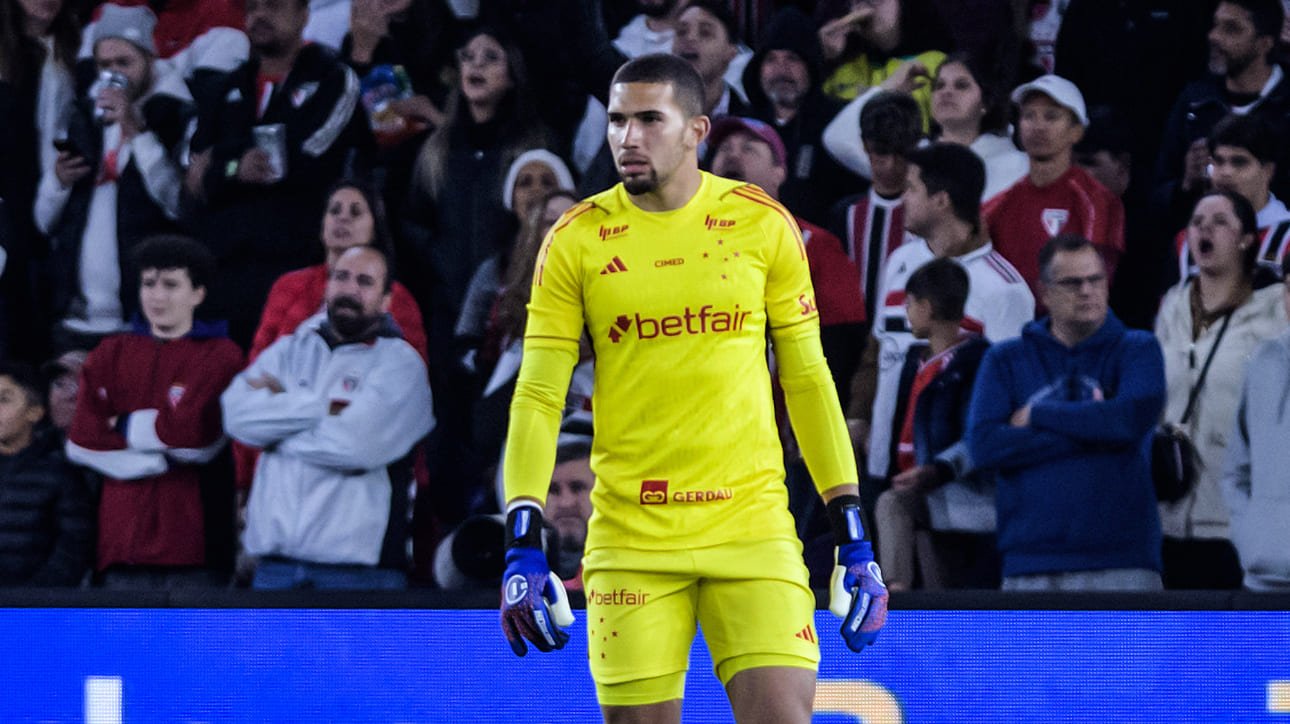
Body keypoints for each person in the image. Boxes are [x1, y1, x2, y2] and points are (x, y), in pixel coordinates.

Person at [497, 54, 887, 723]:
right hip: (632, 538)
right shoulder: (575, 238)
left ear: (696, 130)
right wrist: (522, 538)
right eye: (618, 120)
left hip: (752, 527)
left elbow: (808, 379)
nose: (628, 137)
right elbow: (537, 394)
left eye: (650, 119)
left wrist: (852, 533)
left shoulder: (762, 223)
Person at [222, 246, 434, 590]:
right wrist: (326, 408)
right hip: (275, 568)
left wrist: (276, 430)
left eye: (365, 281)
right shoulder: (289, 349)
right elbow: (237, 415)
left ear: (386, 300)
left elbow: (357, 446)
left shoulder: (401, 364)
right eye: (341, 277)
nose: (350, 289)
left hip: (360, 574)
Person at [967, 234, 1165, 591]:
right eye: (1073, 283)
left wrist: (1039, 415)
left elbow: (1127, 422)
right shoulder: (1005, 360)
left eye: (1095, 280)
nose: (1087, 291)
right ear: (1044, 292)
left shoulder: (1138, 350)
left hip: (1123, 559)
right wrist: (1097, 429)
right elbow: (984, 446)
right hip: (1030, 560)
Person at [187, 0, 374, 348]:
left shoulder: (333, 78)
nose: (259, 15)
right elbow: (196, 176)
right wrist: (235, 167)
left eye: (273, 6)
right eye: (252, 8)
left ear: (303, 15)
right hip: (223, 268)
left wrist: (225, 160)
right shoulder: (224, 87)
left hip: (295, 262)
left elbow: (310, 158)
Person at [855, 142, 1032, 503]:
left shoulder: (1004, 289)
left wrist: (948, 465)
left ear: (941, 200)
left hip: (955, 486)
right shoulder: (900, 261)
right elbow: (878, 348)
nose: (903, 198)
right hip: (880, 469)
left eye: (912, 188)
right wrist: (858, 416)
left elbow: (1005, 398)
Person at [65, 235, 244, 589]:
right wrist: (152, 460)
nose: (157, 296)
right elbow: (82, 439)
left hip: (195, 548)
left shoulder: (222, 355)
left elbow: (195, 438)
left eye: (171, 285)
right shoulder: (110, 352)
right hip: (119, 546)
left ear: (198, 294)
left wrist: (123, 425)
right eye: (149, 284)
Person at [35, 5, 195, 350]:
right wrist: (58, 182)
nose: (113, 74)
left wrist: (138, 133)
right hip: (75, 320)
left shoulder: (174, 113)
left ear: (150, 60)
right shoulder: (83, 116)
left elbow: (179, 205)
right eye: (104, 65)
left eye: (124, 63)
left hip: (142, 319)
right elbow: (44, 221)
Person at [1155, 190, 1285, 589]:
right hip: (1169, 518)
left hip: (1235, 525)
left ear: (1246, 239)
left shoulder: (1275, 310)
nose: (1204, 230)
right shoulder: (1173, 304)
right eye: (1197, 222)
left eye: (1220, 222)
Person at [709, 115, 866, 407]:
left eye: (749, 149)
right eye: (724, 149)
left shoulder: (815, 246)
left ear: (779, 172)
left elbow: (842, 345)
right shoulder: (686, 246)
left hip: (782, 422)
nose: (733, 155)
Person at [875, 258, 997, 590]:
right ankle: (909, 603)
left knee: (892, 505)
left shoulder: (977, 363)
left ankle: (896, 597)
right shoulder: (915, 362)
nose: (906, 312)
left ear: (926, 308)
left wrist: (938, 471)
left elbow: (979, 435)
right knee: (936, 584)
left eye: (909, 304)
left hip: (962, 491)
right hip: (920, 491)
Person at [983, 74, 1126, 299]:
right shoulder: (999, 203)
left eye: (1051, 116)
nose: (1038, 126)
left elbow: (1096, 282)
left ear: (1076, 131)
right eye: (1029, 116)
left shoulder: (1097, 201)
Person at [1153, 0, 1290, 234]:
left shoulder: (1285, 108)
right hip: (1201, 245)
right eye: (1215, 25)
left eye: (1231, 29)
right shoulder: (1194, 103)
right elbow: (1157, 198)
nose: (1214, 36)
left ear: (1264, 43)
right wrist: (1186, 185)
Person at [823, 52, 1028, 202]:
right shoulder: (910, 156)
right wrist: (889, 89)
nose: (946, 92)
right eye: (939, 85)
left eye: (961, 85)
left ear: (986, 103)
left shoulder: (1016, 164)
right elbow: (838, 138)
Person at [739, 6, 860, 223]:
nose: (781, 70)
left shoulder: (839, 121)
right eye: (771, 59)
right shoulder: (742, 126)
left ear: (810, 66)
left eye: (792, 58)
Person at [1222, 254, 1290, 591]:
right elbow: (1236, 469)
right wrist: (1249, 536)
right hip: (1262, 579)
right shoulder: (1263, 361)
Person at [0, 361, 95, 586]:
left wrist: (35, 596)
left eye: (4, 400)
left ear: (34, 412)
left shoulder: (61, 473)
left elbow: (75, 545)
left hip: (35, 602)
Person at [1172, 113, 1290, 280]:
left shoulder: (1287, 239)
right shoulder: (1188, 241)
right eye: (1219, 161)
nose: (1226, 172)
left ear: (1268, 171)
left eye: (1239, 162)